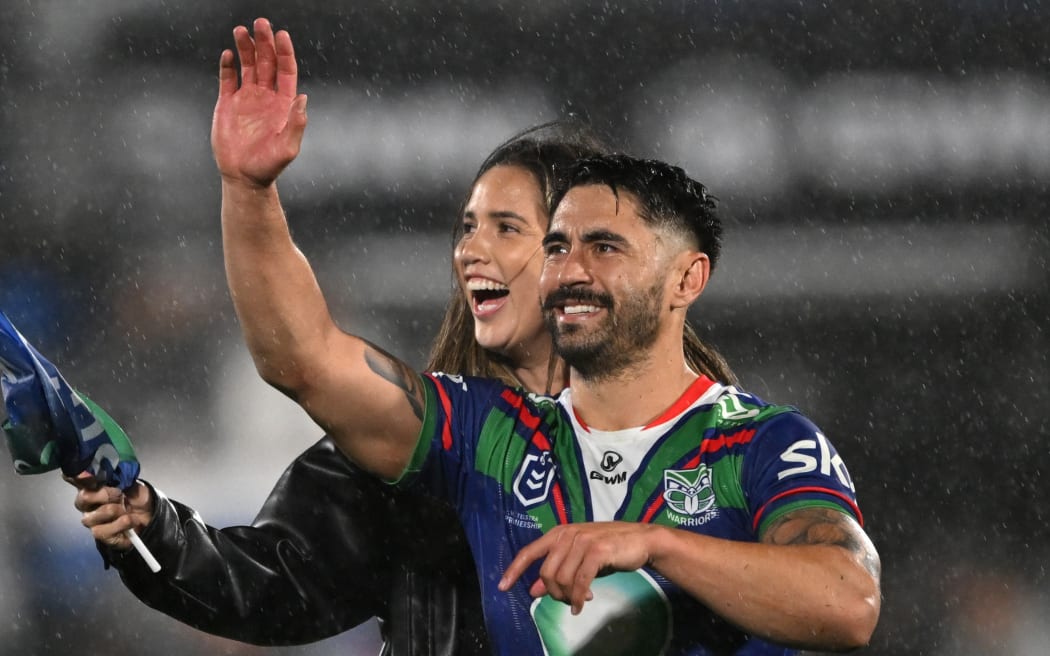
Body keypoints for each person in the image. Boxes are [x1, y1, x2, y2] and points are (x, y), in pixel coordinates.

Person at [208, 18, 881, 656]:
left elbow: (849, 602)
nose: (572, 270)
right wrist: (249, 189)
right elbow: (305, 360)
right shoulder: (488, 434)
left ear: (686, 279)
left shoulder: (762, 443)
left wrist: (657, 546)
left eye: (606, 247)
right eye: (557, 246)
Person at [73, 19, 737, 656]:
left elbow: (837, 600)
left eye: (506, 228)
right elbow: (267, 578)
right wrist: (149, 528)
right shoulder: (436, 444)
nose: (471, 251)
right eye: (468, 228)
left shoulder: (723, 446)